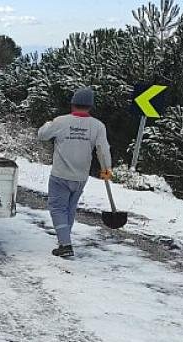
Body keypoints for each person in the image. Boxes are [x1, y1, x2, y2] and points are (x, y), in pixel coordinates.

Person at [38, 87, 113, 258]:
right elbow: (103, 150)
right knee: (70, 209)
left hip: (60, 175)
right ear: (90, 106)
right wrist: (106, 170)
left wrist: (48, 123)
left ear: (73, 103)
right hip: (80, 177)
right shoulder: (98, 126)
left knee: (57, 208)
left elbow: (42, 135)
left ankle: (65, 244)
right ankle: (65, 239)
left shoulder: (61, 121)